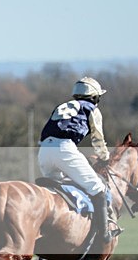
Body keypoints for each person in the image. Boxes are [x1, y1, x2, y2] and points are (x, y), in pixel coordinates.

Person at [38, 76, 118, 246]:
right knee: (98, 189)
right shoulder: (92, 110)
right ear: (95, 97)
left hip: (44, 150)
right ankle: (104, 234)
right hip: (64, 149)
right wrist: (105, 158)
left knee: (56, 190)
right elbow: (97, 140)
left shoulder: (61, 106)